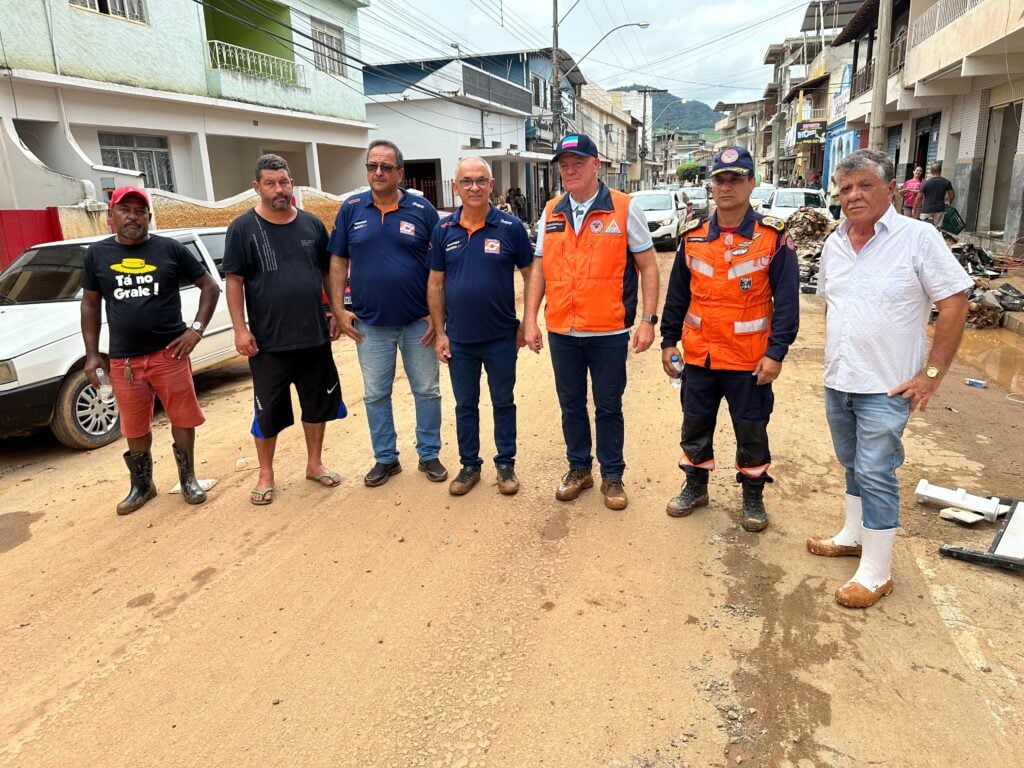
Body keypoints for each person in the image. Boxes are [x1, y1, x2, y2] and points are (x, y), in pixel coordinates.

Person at [809, 150, 971, 609]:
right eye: (844, 188)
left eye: (864, 185)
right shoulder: (835, 242)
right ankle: (854, 535)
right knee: (852, 463)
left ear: (890, 189)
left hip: (888, 385)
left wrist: (931, 375)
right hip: (840, 380)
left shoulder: (918, 238)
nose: (853, 195)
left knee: (877, 471)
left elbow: (954, 302)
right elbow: (836, 305)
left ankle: (877, 572)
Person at [659, 146, 799, 533]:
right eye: (720, 179)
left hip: (749, 360)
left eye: (736, 179)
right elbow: (677, 296)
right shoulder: (694, 236)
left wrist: (776, 353)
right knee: (695, 425)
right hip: (700, 356)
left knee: (751, 429)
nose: (727, 187)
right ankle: (696, 486)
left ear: (751, 183)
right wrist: (668, 342)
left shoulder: (772, 236)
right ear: (711, 186)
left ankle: (752, 495)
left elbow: (786, 302)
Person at [522, 133, 660, 510]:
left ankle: (612, 475)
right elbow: (539, 269)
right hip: (563, 329)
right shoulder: (551, 211)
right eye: (564, 166)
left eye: (577, 164)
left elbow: (648, 265)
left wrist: (648, 319)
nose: (570, 171)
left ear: (596, 165)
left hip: (609, 330)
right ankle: (579, 468)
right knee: (570, 404)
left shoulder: (623, 207)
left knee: (608, 405)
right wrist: (529, 320)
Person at [81, 186, 220, 515]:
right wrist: (91, 354)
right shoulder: (96, 255)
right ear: (110, 216)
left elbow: (210, 286)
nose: (133, 216)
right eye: (125, 209)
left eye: (140, 210)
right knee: (133, 426)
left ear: (149, 217)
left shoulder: (169, 249)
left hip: (169, 354)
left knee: (182, 418)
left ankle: (188, 479)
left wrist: (195, 330)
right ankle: (142, 485)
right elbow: (89, 304)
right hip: (124, 360)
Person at [223, 154, 346, 506]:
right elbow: (234, 281)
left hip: (314, 336)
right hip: (268, 342)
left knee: (317, 404)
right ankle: (266, 473)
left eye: (285, 182)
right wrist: (239, 329)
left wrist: (335, 311)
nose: (280, 189)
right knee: (269, 410)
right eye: (271, 183)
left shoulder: (311, 225)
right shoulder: (242, 229)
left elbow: (327, 273)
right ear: (256, 187)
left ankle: (314, 463)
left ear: (292, 183)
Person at [327, 140, 446, 487]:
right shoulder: (351, 209)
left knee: (426, 390)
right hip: (369, 325)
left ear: (400, 173)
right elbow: (338, 261)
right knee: (376, 393)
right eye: (371, 166)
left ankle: (429, 454)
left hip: (416, 324)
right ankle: (385, 458)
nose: (377, 172)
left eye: (386, 167)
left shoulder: (422, 209)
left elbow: (440, 267)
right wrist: (338, 308)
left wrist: (437, 317)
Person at [427, 157, 534, 496]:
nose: (474, 187)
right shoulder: (443, 231)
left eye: (481, 180)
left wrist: (527, 322)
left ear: (491, 185)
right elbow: (435, 284)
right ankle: (469, 466)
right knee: (465, 405)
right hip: (460, 339)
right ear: (455, 188)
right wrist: (441, 332)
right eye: (466, 181)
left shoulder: (510, 228)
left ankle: (506, 466)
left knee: (503, 401)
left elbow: (533, 275)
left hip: (502, 337)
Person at [915, 162, 954, 228]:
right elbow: (952, 195)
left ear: (931, 172)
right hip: (940, 209)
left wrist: (914, 208)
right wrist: (948, 204)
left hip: (926, 209)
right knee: (937, 229)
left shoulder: (926, 183)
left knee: (924, 228)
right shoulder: (946, 182)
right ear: (940, 171)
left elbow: (919, 197)